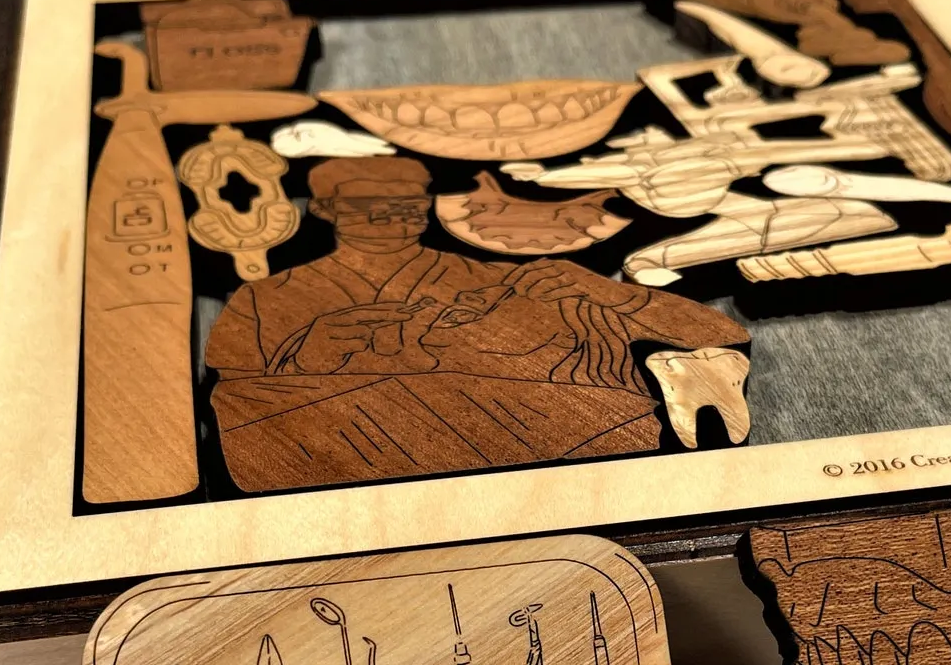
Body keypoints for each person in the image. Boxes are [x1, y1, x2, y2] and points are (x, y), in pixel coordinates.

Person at [204, 156, 747, 492]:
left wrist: (611, 295)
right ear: (324, 209)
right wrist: (306, 356)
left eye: (407, 203)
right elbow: (238, 406)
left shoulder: (498, 279)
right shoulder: (266, 299)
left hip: (535, 470)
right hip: (350, 472)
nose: (392, 215)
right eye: (369, 204)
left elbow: (714, 334)